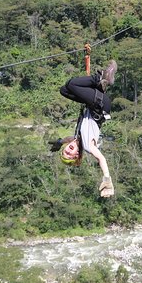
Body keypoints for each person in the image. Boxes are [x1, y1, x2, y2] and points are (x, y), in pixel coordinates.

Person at [57, 60, 117, 197]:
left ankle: (100, 83)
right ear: (77, 156)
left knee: (64, 90)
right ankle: (102, 78)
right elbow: (101, 159)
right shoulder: (89, 147)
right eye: (69, 155)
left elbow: (67, 139)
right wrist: (107, 178)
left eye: (64, 151)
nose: (67, 151)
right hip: (100, 106)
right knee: (72, 84)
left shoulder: (76, 139)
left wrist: (58, 142)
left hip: (93, 104)